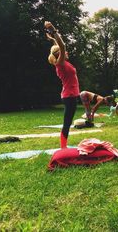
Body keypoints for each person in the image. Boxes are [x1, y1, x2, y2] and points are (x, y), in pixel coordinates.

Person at [45, 21, 80, 149]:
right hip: (69, 96)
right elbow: (62, 46)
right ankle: (63, 147)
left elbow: (58, 46)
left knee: (68, 121)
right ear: (60, 54)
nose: (67, 52)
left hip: (71, 95)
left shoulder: (63, 63)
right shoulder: (60, 64)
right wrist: (53, 30)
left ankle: (63, 146)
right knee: (67, 122)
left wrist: (53, 38)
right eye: (64, 52)